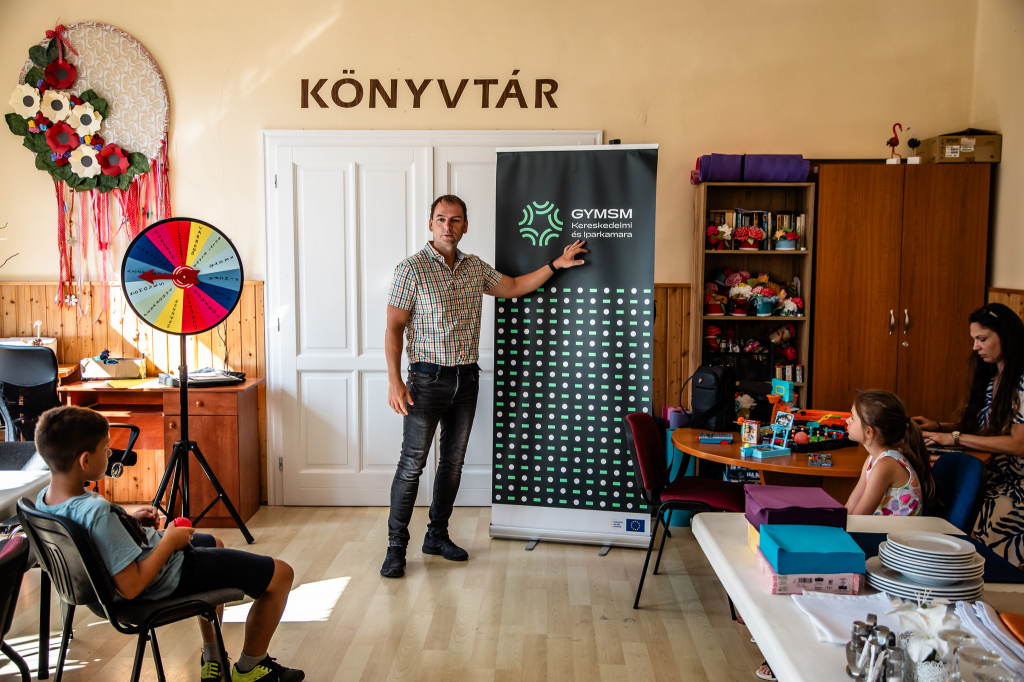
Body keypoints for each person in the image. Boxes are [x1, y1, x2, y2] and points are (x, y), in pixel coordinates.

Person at [381, 194, 587, 578]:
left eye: (455, 220)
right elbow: (393, 327)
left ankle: (437, 536)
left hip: (466, 380)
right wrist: (394, 380)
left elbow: (513, 286)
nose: (448, 226)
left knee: (452, 464)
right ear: (430, 224)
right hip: (425, 380)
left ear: (465, 226)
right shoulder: (410, 269)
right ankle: (396, 548)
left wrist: (555, 265)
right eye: (441, 219)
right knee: (412, 465)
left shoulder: (474, 267)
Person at [33, 406, 303, 682]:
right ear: (85, 461)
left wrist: (129, 523)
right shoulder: (97, 511)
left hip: (119, 584)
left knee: (216, 542)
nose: (110, 453)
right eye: (105, 449)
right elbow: (131, 586)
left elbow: (94, 537)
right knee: (281, 574)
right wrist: (170, 542)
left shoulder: (46, 501)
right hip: (165, 575)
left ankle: (212, 656)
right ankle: (251, 668)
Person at [913, 303, 1024, 566]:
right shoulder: (993, 376)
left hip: (1016, 482)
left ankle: (989, 573)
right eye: (974, 339)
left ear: (1006, 337)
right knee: (936, 493)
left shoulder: (1022, 381)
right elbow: (984, 429)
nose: (975, 347)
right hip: (992, 471)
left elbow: (1018, 444)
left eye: (982, 339)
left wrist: (954, 438)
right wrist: (939, 427)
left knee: (979, 508)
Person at [845, 390, 936, 516]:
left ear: (869, 432)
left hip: (894, 529)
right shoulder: (872, 459)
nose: (847, 420)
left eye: (852, 417)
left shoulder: (885, 465)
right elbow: (850, 507)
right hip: (879, 527)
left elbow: (859, 517)